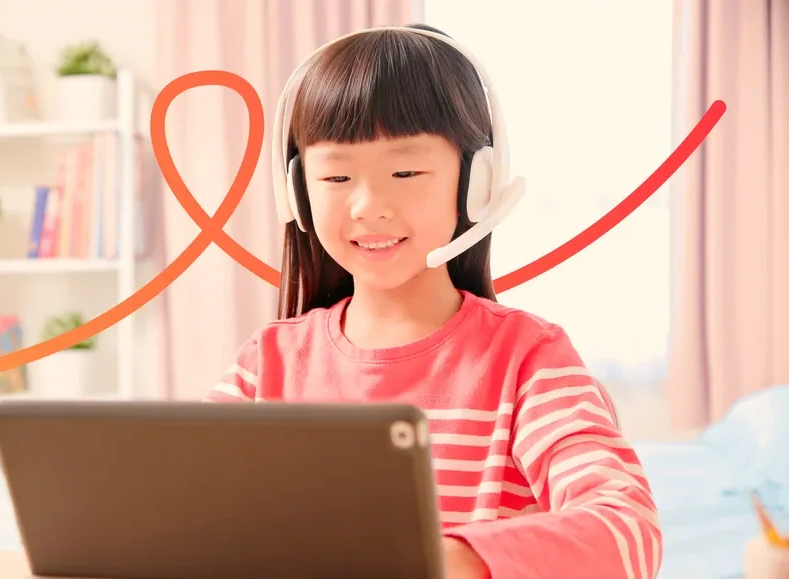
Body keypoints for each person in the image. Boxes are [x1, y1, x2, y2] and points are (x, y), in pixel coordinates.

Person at [204, 23, 662, 579]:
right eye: (337, 175)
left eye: (405, 171)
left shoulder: (530, 359)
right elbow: (187, 514)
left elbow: (627, 530)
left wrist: (449, 560)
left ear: (478, 182)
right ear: (298, 192)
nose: (369, 205)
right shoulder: (264, 365)